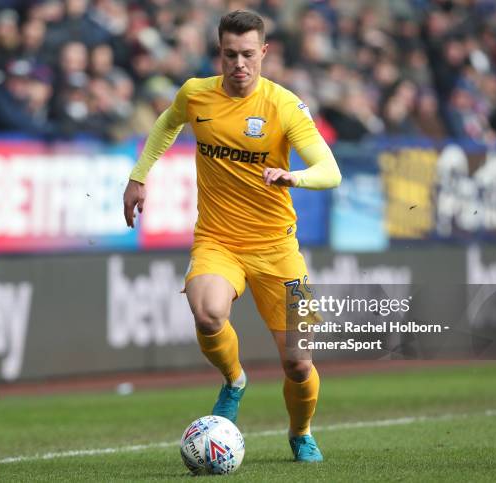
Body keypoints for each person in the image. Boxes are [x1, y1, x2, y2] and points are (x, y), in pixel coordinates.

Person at [122, 10, 341, 463]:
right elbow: (167, 123)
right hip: (218, 241)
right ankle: (234, 380)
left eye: (247, 55)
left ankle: (300, 433)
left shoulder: (283, 106)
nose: (239, 64)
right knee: (207, 313)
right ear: (218, 53)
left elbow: (330, 171)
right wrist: (139, 176)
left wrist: (293, 178)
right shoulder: (196, 94)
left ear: (263, 52)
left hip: (279, 249)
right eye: (229, 55)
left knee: (299, 364)